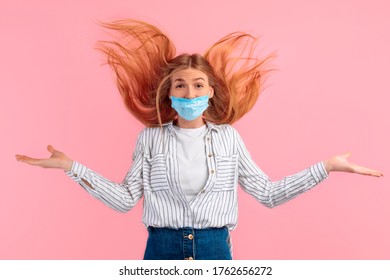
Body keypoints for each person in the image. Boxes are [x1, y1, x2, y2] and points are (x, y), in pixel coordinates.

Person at [15, 20, 383, 260]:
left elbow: (268, 194)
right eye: (180, 85)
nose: (189, 92)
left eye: (197, 85)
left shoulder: (229, 139)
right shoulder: (151, 139)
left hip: (214, 247)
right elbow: (125, 199)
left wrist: (327, 167)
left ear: (210, 93)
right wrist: (70, 167)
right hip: (160, 248)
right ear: (168, 93)